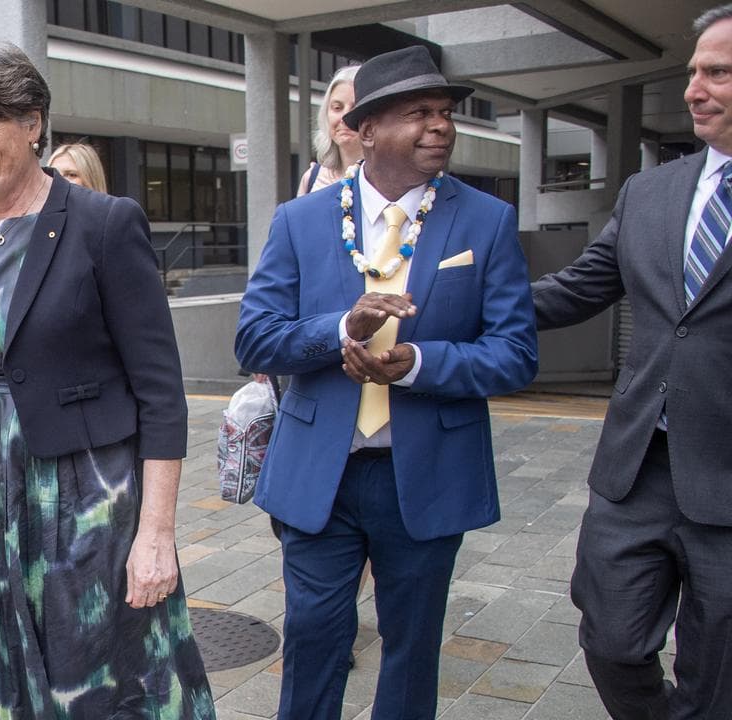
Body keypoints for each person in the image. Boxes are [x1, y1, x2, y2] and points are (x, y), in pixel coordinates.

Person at [0, 39, 216, 719]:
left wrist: (156, 534)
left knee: (93, 671)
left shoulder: (103, 224)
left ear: (31, 122)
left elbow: (159, 392)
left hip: (80, 503)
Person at [235, 45, 537, 720]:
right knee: (314, 635)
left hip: (426, 472)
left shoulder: (485, 222)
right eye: (419, 113)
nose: (441, 126)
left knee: (411, 644)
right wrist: (341, 328)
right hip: (322, 475)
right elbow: (253, 338)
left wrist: (422, 364)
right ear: (365, 130)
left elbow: (516, 354)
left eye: (445, 113)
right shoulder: (302, 220)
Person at [530, 6, 732, 717]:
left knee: (718, 675)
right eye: (692, 73)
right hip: (638, 464)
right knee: (612, 639)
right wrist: (447, 304)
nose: (693, 89)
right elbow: (577, 288)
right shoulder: (650, 191)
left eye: (717, 73)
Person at [298, 64, 362, 197]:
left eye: (355, 108)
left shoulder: (388, 181)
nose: (344, 117)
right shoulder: (312, 178)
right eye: (337, 108)